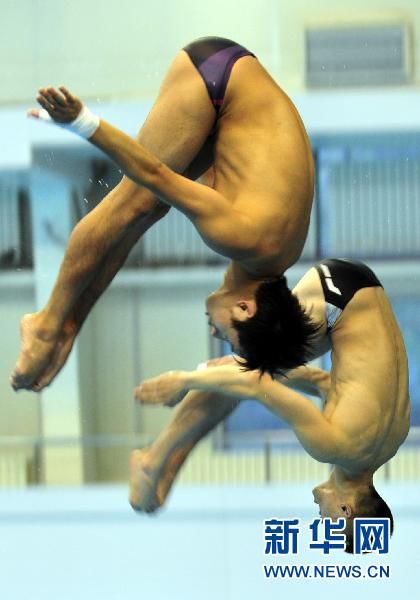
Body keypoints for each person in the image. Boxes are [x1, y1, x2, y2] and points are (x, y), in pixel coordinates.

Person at [11, 36, 314, 392]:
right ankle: (46, 324)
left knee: (147, 209)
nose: (214, 331)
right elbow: (152, 173)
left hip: (232, 100)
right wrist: (82, 122)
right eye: (228, 338)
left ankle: (68, 324)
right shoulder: (242, 238)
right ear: (245, 309)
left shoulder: (279, 254)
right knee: (131, 203)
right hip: (216, 77)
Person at [131, 259, 410, 552]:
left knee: (244, 370)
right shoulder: (333, 447)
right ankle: (153, 460)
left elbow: (321, 381)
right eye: (327, 523)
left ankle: (162, 456)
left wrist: (233, 372)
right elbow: (257, 385)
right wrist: (184, 380)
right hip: (333, 297)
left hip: (359, 284)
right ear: (345, 511)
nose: (319, 517)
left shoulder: (391, 440)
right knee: (246, 371)